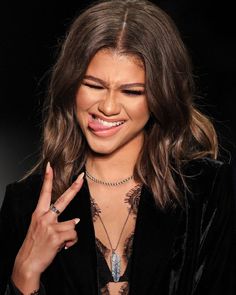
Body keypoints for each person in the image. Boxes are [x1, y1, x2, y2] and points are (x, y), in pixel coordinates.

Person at [0, 0, 235, 294]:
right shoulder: (24, 205)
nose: (108, 107)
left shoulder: (206, 190)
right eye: (94, 85)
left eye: (132, 91)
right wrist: (25, 272)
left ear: (161, 96)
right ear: (71, 86)